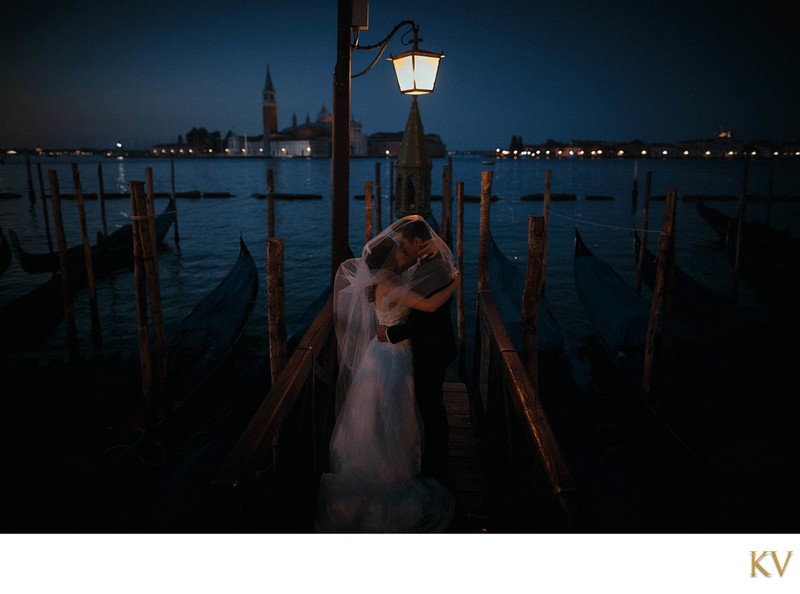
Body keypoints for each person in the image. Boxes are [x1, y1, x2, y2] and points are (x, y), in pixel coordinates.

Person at [315, 215, 460, 533]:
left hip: (383, 352)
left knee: (387, 410)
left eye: (404, 249)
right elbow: (430, 306)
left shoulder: (392, 280)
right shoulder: (393, 283)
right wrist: (455, 284)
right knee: (394, 409)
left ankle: (397, 461)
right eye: (399, 253)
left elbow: (408, 289)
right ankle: (396, 469)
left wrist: (428, 254)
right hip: (393, 354)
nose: (402, 255)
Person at [376, 217, 456, 484]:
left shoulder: (431, 268)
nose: (401, 247)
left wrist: (389, 333)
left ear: (418, 242)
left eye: (403, 243)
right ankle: (423, 456)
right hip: (422, 348)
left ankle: (436, 462)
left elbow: (423, 317)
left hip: (429, 350)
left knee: (430, 407)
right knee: (420, 405)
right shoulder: (426, 265)